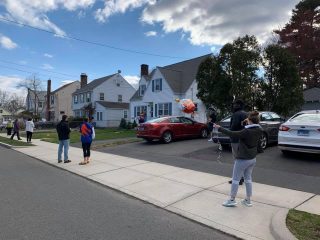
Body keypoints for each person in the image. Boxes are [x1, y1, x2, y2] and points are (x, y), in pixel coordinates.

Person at [214, 111, 262, 207]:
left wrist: (219, 128)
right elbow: (249, 127)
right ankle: (248, 200)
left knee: (235, 179)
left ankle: (232, 199)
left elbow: (232, 133)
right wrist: (246, 122)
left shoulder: (246, 131)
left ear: (249, 120)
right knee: (248, 179)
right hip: (252, 159)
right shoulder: (259, 129)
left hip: (242, 159)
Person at [228, 99, 248, 185]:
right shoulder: (245, 114)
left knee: (237, 160)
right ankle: (242, 177)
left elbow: (233, 127)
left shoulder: (236, 114)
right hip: (243, 139)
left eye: (235, 104)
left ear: (238, 105)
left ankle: (237, 179)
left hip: (236, 139)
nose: (233, 106)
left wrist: (229, 133)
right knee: (242, 159)